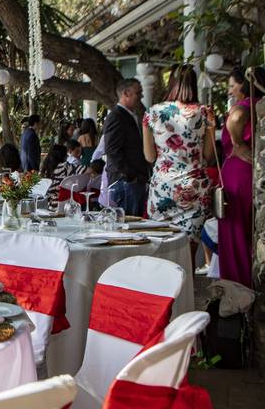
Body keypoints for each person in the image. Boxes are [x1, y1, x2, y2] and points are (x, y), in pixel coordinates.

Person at [143, 65, 215, 264]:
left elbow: (149, 156)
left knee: (161, 251)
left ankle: (164, 292)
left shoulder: (153, 112)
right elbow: (208, 155)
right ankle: (187, 293)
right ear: (193, 83)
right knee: (189, 254)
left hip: (163, 189)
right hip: (195, 189)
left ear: (171, 83)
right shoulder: (203, 112)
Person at [217, 66, 265, 287]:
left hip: (239, 169)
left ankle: (238, 285)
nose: (230, 91)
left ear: (244, 84)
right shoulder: (258, 105)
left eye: (232, 85)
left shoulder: (245, 105)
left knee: (235, 228)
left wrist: (237, 144)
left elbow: (235, 119)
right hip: (251, 169)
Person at [103, 78, 150, 216]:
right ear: (126, 93)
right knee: (127, 228)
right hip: (125, 183)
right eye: (138, 92)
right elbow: (112, 150)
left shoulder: (130, 115)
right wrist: (130, 175)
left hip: (134, 182)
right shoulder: (116, 116)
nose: (141, 96)